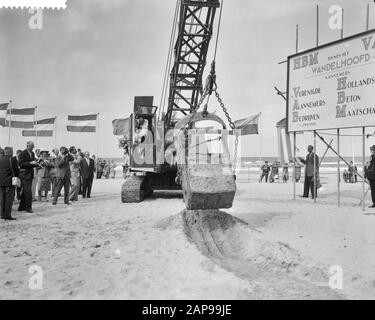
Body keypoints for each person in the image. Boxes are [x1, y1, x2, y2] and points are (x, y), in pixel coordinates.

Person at [18, 141, 39, 213]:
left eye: (33, 146)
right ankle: (28, 208)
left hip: (30, 174)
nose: (33, 147)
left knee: (25, 191)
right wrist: (30, 163)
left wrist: (38, 163)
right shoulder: (22, 153)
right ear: (28, 146)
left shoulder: (32, 153)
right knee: (28, 192)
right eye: (32, 146)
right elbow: (21, 164)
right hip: (25, 175)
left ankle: (21, 207)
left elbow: (32, 163)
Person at [0, 147, 19, 220]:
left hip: (0, 182)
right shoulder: (12, 159)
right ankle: (7, 215)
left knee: (1, 199)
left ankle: (1, 214)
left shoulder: (0, 158)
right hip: (9, 181)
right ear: (10, 152)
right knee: (8, 199)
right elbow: (16, 170)